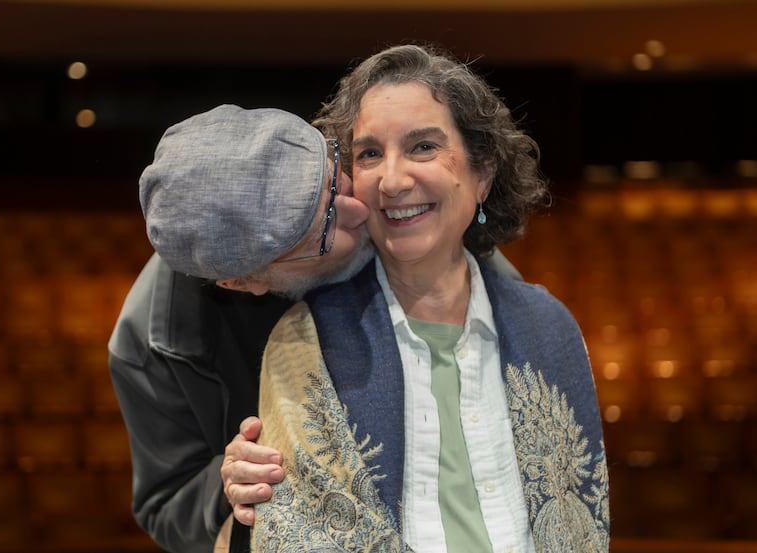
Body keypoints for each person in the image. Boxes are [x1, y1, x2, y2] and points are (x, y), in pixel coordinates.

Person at [108, 102, 523, 553]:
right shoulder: (155, 342)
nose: (359, 211)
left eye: (331, 179)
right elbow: (165, 506)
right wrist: (229, 483)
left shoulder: (372, 189)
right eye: (325, 229)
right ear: (245, 281)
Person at [251, 44, 609, 553]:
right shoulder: (307, 340)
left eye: (422, 147)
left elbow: (582, 518)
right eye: (370, 153)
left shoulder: (549, 327)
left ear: (482, 173)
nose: (393, 181)